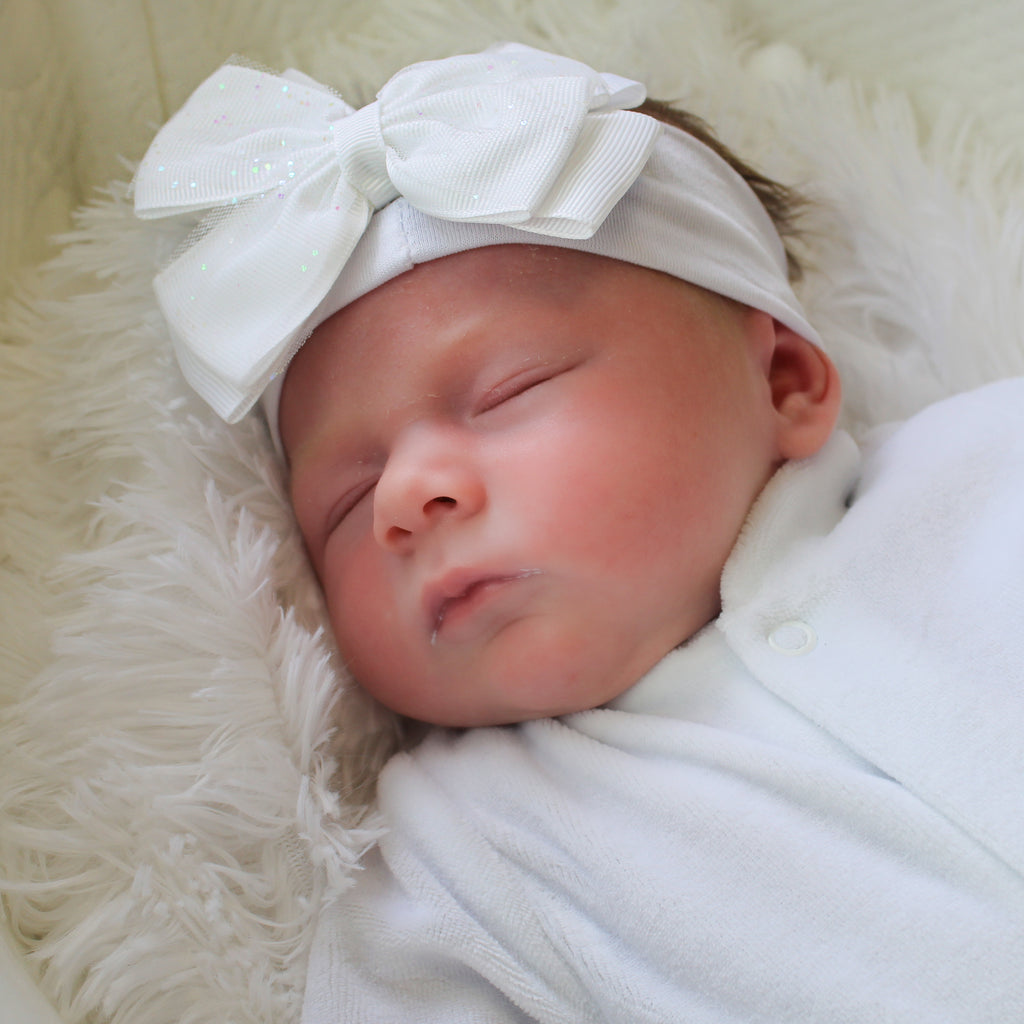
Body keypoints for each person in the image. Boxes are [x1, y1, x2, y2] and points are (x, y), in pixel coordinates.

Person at [135, 42, 1024, 1024]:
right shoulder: (461, 858)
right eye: (345, 502)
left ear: (781, 384)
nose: (404, 497)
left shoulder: (985, 466)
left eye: (510, 390)